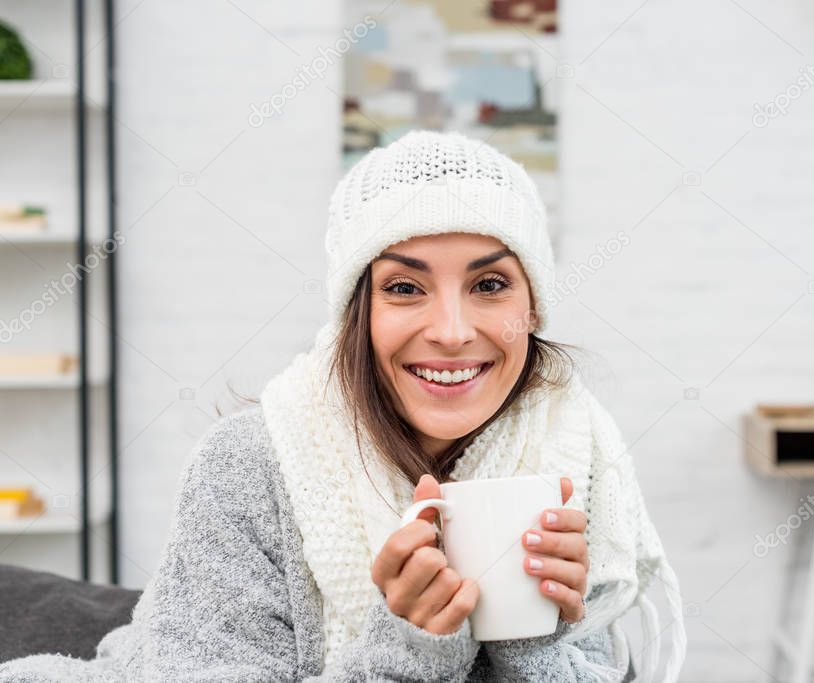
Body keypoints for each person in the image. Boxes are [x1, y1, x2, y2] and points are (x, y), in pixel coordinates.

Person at [0, 130, 686, 682]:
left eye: (489, 282)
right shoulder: (247, 464)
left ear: (530, 307)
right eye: (405, 288)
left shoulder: (572, 450)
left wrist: (534, 638)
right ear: (355, 313)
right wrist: (409, 647)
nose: (451, 330)